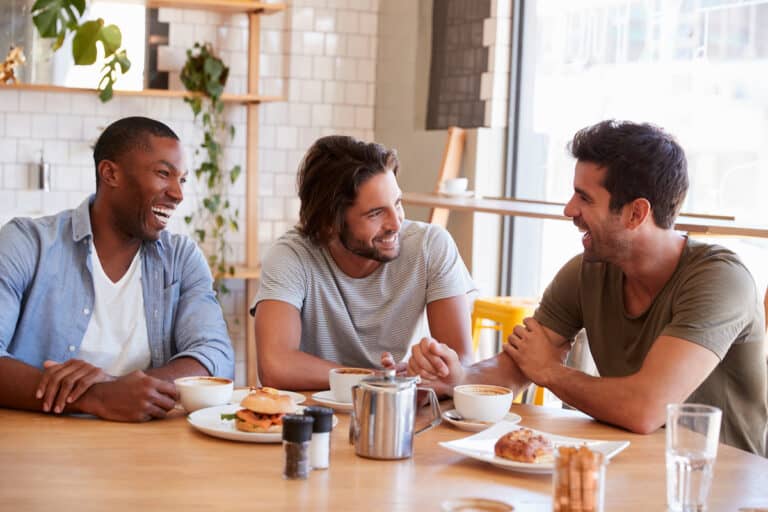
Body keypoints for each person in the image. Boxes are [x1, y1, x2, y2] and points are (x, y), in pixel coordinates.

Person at [407, 120, 767, 455]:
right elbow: (517, 367)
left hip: (721, 486)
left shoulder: (719, 280)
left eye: (584, 198)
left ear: (636, 214)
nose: (568, 209)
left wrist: (550, 373)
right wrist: (458, 378)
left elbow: (645, 409)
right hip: (631, 470)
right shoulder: (588, 271)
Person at [0, 116, 234, 422]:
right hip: (40, 445)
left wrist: (128, 390)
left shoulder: (181, 258)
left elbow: (214, 355)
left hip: (145, 447)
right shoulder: (28, 243)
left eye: (183, 179)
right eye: (164, 174)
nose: (178, 194)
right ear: (110, 173)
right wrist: (95, 397)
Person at [252, 135, 476, 390]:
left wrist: (437, 368)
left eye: (397, 203)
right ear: (329, 224)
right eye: (376, 213)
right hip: (315, 416)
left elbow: (463, 363)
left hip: (398, 411)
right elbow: (275, 366)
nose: (396, 223)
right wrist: (378, 379)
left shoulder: (431, 246)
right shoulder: (291, 256)